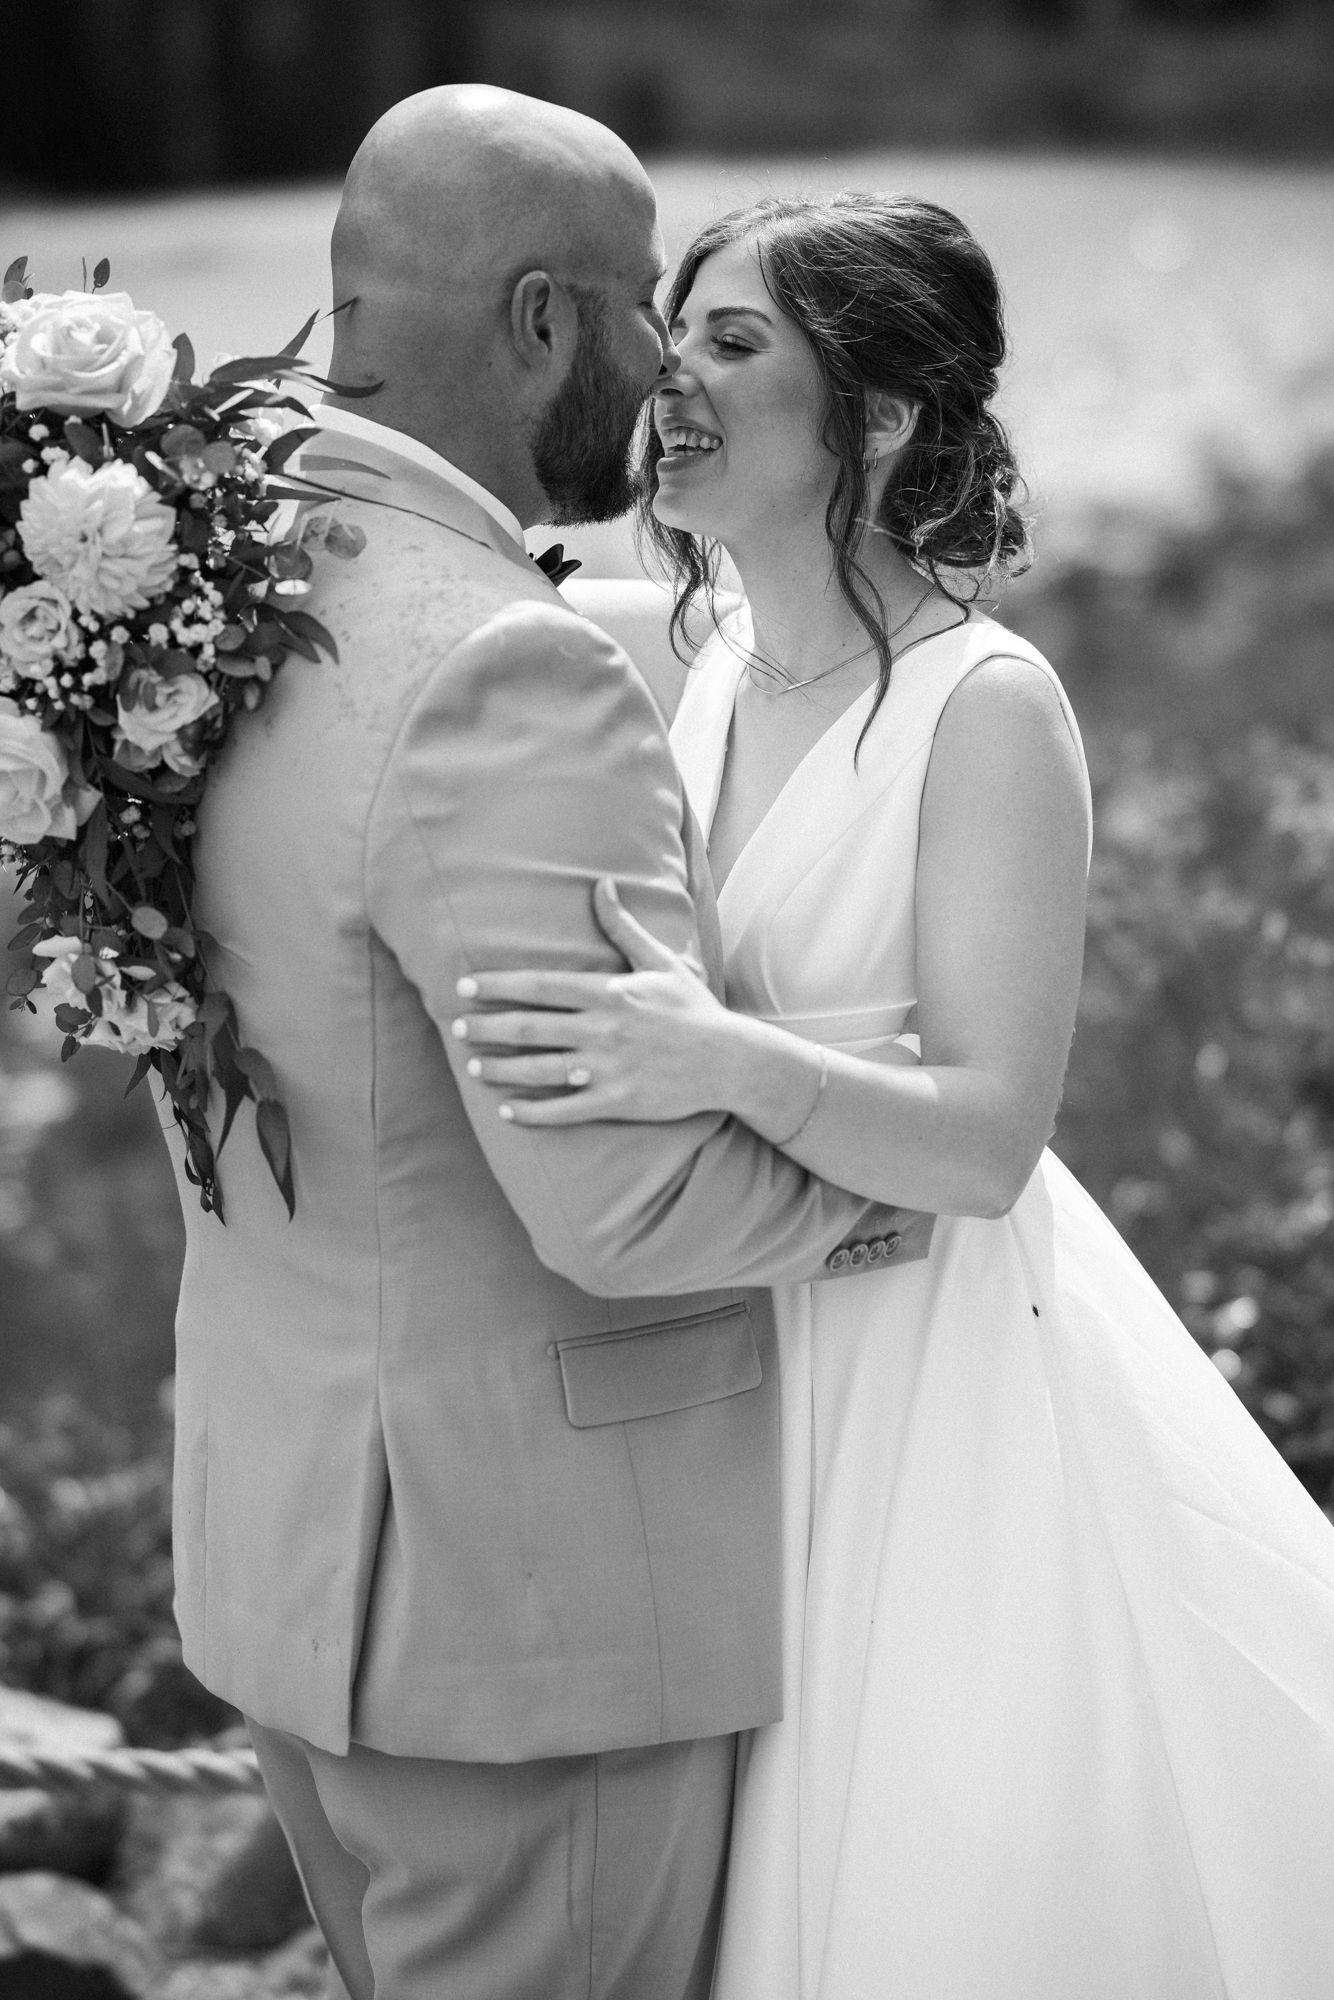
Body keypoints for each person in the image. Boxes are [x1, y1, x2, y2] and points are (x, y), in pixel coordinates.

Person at [459, 192, 1334, 1998]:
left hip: (933, 1361)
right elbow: (446, 581)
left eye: (731, 343)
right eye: (668, 331)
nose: (668, 383)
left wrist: (704, 1053)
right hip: (740, 1351)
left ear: (874, 418)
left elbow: (987, 1134)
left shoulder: (984, 708)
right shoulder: (690, 658)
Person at [158, 102, 924, 2000]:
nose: (665, 361)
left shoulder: (202, 583)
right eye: (632, 307)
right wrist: (914, 1213)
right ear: (532, 325)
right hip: (525, 1627)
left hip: (298, 1568)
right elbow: (627, 1203)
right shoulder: (504, 665)